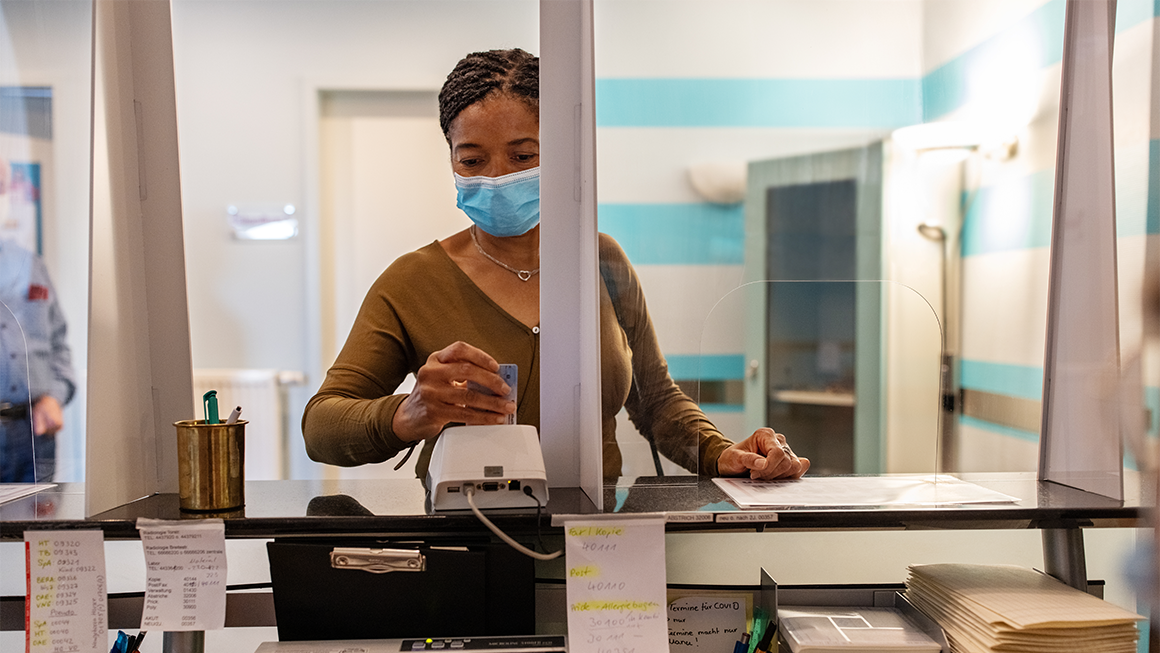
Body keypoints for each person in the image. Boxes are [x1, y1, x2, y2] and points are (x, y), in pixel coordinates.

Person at [302, 48, 809, 482]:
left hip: (598, 545)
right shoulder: (412, 281)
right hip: (471, 542)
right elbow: (321, 426)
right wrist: (406, 413)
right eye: (472, 161)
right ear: (451, 158)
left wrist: (724, 453)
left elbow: (656, 401)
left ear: (563, 152)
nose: (498, 177)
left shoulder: (602, 261)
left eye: (523, 156)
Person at [0, 156, 76, 483]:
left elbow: (59, 346)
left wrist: (54, 395)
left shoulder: (29, 264)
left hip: (34, 434)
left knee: (37, 534)